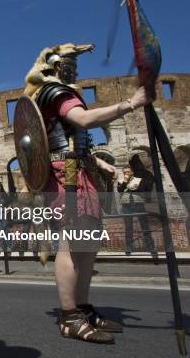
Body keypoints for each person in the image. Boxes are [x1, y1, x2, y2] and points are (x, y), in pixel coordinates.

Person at [23, 43, 153, 344]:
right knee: (70, 243)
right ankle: (69, 316)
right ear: (54, 67)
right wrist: (130, 104)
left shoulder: (62, 93)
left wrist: (99, 163)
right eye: (67, 64)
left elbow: (68, 139)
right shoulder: (54, 92)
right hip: (64, 175)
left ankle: (81, 306)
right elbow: (81, 121)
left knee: (88, 244)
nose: (73, 69)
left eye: (75, 64)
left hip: (79, 168)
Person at [118, 163, 156, 256]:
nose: (126, 173)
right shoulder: (121, 181)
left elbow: (142, 189)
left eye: (128, 172)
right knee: (128, 227)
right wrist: (125, 183)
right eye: (125, 172)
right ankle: (129, 247)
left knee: (144, 225)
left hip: (138, 204)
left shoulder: (139, 180)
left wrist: (132, 188)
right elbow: (120, 190)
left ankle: (151, 247)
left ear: (132, 172)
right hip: (126, 205)